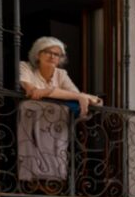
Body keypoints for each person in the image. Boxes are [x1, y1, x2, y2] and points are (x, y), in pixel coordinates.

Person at [17, 37, 102, 185]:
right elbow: (31, 91)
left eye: (57, 54)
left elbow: (76, 95)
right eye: (47, 52)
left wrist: (49, 92)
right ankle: (29, 184)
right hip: (32, 121)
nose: (52, 56)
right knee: (32, 156)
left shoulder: (61, 74)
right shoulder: (25, 67)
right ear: (37, 54)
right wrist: (62, 93)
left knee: (55, 157)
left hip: (54, 125)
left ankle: (54, 184)